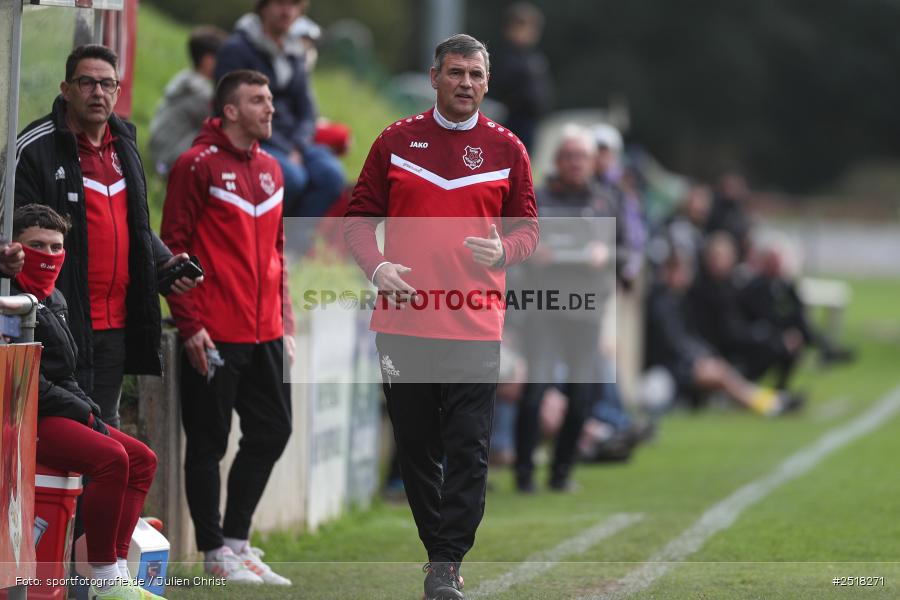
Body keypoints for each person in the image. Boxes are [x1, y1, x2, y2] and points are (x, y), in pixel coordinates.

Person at [344, 34, 538, 600]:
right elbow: (358, 220)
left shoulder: (508, 149)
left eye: (476, 75)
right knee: (416, 446)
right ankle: (439, 554)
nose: (466, 84)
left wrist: (505, 252)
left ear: (488, 82)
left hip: (475, 324)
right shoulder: (396, 141)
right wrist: (377, 267)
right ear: (434, 78)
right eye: (455, 73)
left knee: (470, 446)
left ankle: (448, 560)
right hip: (403, 326)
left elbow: (528, 229)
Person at [14, 44, 200, 429]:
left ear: (117, 91)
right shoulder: (35, 147)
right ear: (66, 89)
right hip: (59, 322)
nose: (98, 92)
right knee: (66, 439)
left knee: (107, 434)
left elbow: (135, 221)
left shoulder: (125, 144)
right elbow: (13, 231)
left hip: (114, 324)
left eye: (107, 84)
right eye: (87, 82)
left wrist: (165, 260)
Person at [161, 69, 295, 586]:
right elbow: (172, 247)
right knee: (208, 445)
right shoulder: (196, 165)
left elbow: (278, 251)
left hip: (265, 332)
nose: (270, 109)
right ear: (230, 110)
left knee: (273, 429)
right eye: (258, 101)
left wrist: (285, 319)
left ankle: (237, 542)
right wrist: (190, 324)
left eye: (271, 100)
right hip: (213, 331)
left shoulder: (272, 169)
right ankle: (213, 552)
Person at [11, 204, 161, 600]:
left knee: (143, 459)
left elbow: (64, 372)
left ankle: (115, 569)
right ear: (15, 248)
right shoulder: (9, 297)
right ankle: (104, 576)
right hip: (23, 415)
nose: (49, 254)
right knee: (112, 458)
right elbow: (23, 379)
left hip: (53, 408)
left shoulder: (53, 297)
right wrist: (81, 410)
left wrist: (85, 407)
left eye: (56, 246)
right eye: (36, 245)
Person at [513, 126, 617, 492]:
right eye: (569, 156)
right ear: (558, 160)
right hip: (544, 309)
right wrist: (532, 253)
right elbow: (515, 246)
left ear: (592, 163)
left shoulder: (605, 202)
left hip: (586, 312)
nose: (575, 163)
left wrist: (606, 255)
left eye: (582, 157)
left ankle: (561, 472)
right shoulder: (537, 198)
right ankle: (524, 474)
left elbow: (625, 253)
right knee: (535, 389)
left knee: (582, 395)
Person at [216, 0, 344, 218]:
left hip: (293, 142)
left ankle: (292, 246)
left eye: (294, 4)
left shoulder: (296, 53)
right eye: (281, 3)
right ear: (263, 6)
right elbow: (232, 108)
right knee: (292, 177)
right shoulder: (237, 49)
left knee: (331, 176)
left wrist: (298, 145)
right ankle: (263, 240)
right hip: (254, 140)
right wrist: (287, 149)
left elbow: (307, 111)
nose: (288, 11)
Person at [644, 248, 802, 415]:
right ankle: (771, 405)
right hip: (671, 368)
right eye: (683, 271)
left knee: (723, 371)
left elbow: (690, 337)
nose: (686, 276)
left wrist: (705, 355)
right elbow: (672, 342)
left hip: (684, 362)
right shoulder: (661, 303)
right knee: (721, 376)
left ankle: (773, 400)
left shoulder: (678, 299)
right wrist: (696, 360)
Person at [149, 26, 227, 175]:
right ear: (208, 61)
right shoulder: (200, 93)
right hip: (170, 158)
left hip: (160, 152)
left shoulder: (187, 79)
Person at [488, 2, 553, 150]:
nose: (530, 31)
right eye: (524, 25)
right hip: (513, 121)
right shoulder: (506, 57)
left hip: (532, 122)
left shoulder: (533, 56)